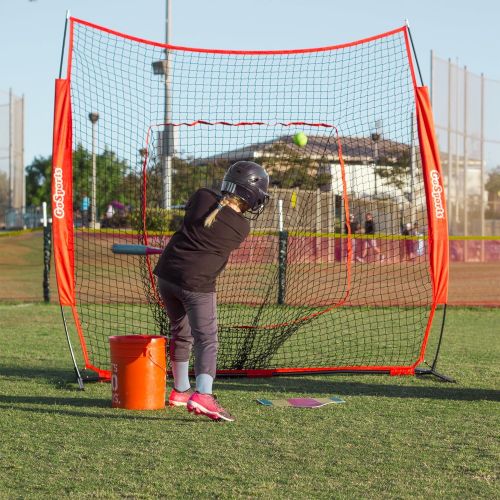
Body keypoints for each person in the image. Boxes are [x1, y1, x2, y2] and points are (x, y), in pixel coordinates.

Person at [153, 161, 270, 422]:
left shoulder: (201, 196)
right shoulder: (241, 227)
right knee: (207, 339)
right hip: (196, 284)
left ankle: (181, 391)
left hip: (167, 276)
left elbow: (202, 217)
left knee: (180, 333)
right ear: (251, 196)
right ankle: (204, 395)